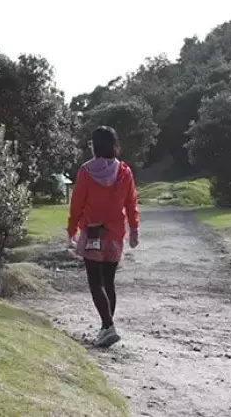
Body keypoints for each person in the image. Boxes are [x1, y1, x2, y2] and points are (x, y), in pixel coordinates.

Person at [67, 126, 139, 348]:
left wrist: (71, 229)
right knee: (109, 282)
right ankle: (106, 328)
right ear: (115, 145)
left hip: (93, 233)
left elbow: (77, 202)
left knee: (95, 282)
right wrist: (134, 229)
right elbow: (131, 202)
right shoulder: (124, 171)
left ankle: (108, 326)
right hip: (116, 234)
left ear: (94, 145)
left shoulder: (86, 171)